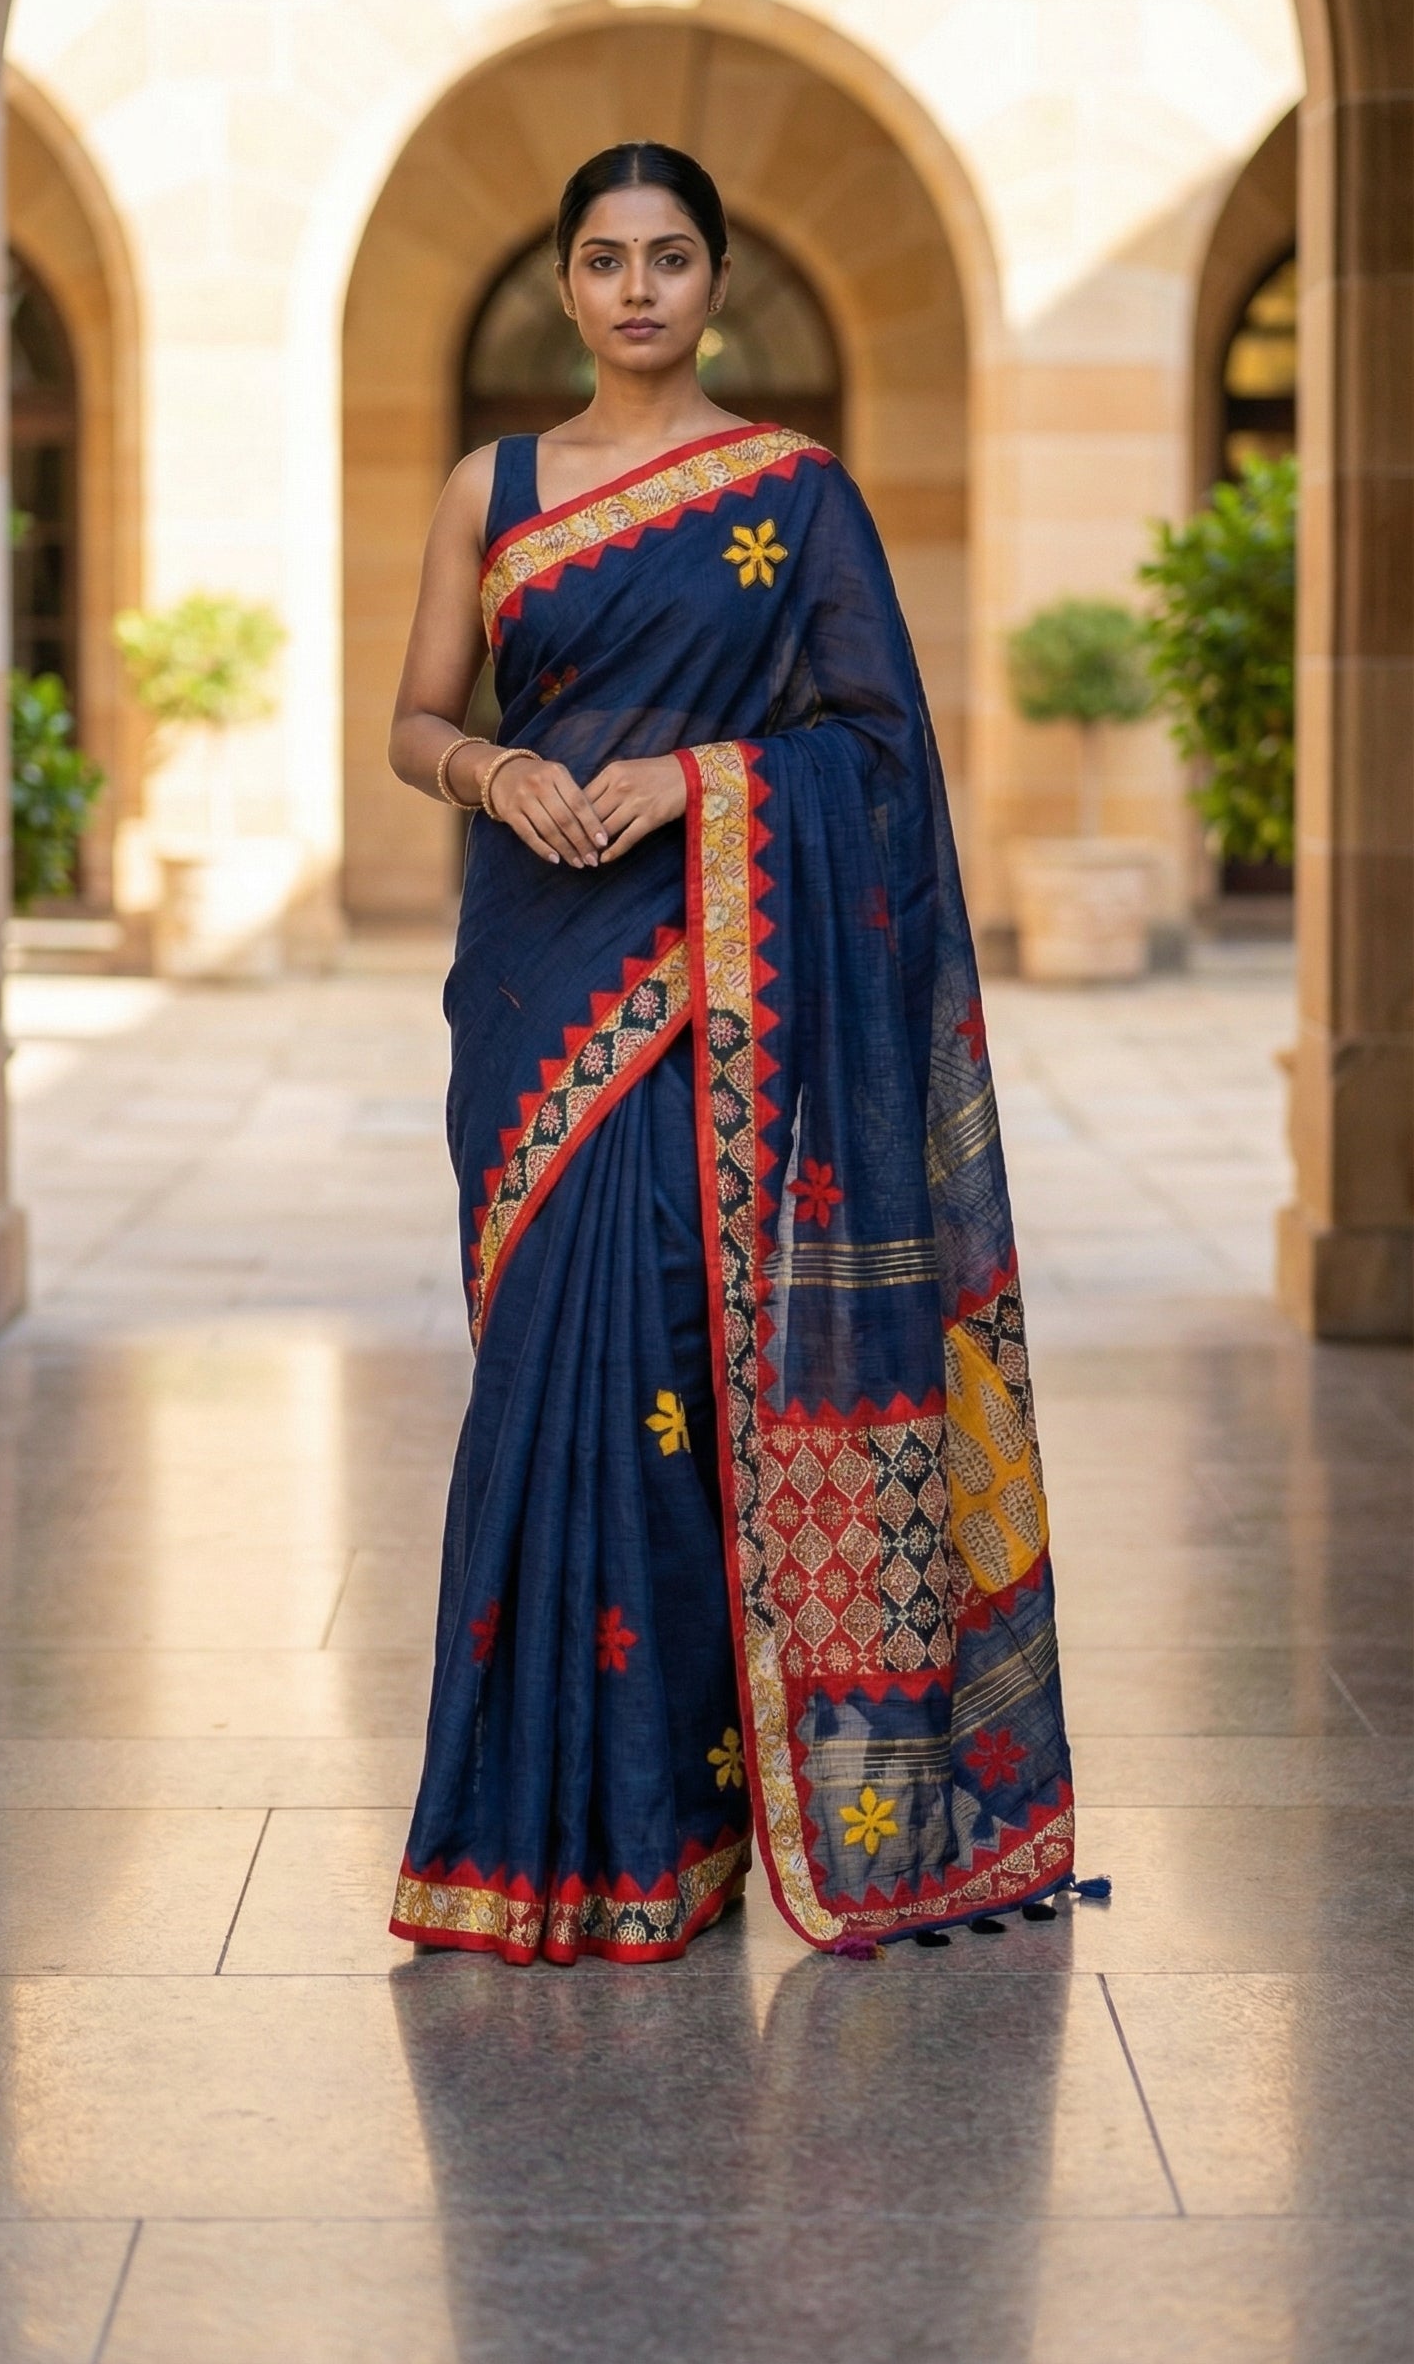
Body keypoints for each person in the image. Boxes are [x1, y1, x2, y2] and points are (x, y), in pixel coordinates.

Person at [387, 140, 1075, 1965]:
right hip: (534, 971)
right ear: (564, 281)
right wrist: (496, 771)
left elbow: (879, 749)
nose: (637, 289)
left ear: (715, 280)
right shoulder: (491, 486)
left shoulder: (796, 493)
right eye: (606, 258)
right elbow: (415, 720)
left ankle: (675, 1822)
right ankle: (519, 1830)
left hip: (714, 979)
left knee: (681, 1368)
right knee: (541, 1369)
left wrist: (698, 783)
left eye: (671, 257)